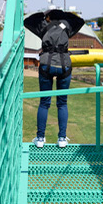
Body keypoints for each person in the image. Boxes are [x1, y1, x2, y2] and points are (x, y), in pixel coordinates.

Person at [24, 9, 85, 149]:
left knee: (44, 103)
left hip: (46, 64)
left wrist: (42, 14)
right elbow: (80, 21)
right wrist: (65, 15)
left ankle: (40, 138)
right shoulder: (67, 26)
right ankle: (62, 138)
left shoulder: (43, 26)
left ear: (48, 17)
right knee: (62, 103)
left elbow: (27, 21)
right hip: (64, 64)